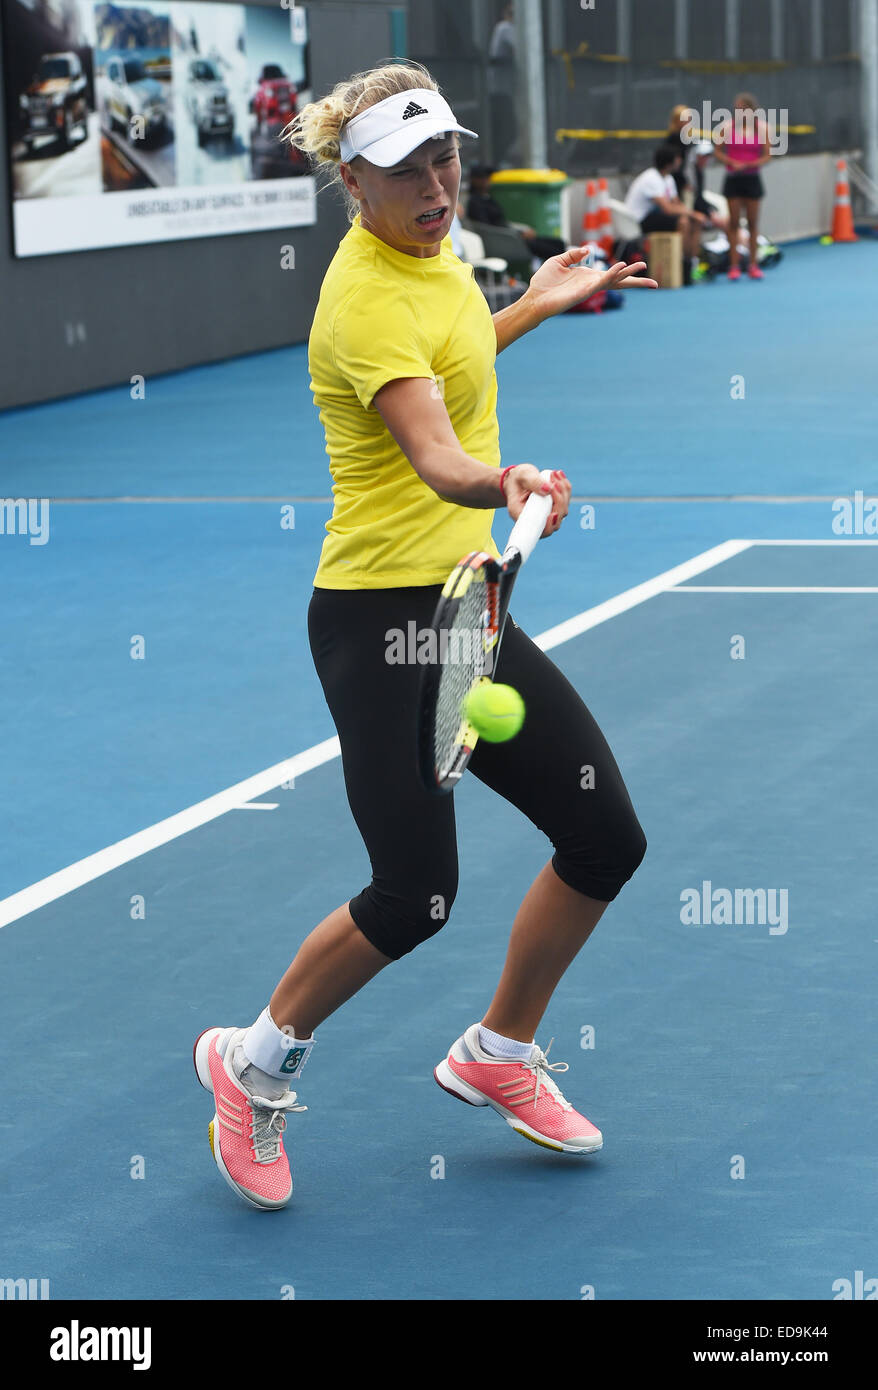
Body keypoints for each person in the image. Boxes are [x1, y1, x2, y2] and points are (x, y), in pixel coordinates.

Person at [192, 64, 655, 1210]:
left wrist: (526, 308)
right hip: (377, 620)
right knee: (413, 894)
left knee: (603, 836)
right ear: (352, 182)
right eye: (406, 171)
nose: (437, 187)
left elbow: (446, 359)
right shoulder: (357, 299)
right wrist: (501, 481)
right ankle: (251, 1064)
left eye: (444, 157)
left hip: (463, 608)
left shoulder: (436, 253)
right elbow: (435, 452)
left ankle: (498, 1051)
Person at [625, 146, 709, 285]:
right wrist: (693, 213)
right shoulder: (651, 178)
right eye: (677, 159)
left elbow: (676, 203)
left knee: (695, 222)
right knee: (683, 222)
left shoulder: (668, 178)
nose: (680, 161)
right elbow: (668, 209)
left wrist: (694, 216)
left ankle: (692, 265)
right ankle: (681, 264)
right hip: (639, 220)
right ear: (669, 162)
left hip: (655, 216)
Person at [711, 92, 772, 281]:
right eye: (737, 109)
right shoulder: (727, 127)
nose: (739, 112)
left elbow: (767, 155)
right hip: (733, 179)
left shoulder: (762, 129)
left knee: (753, 223)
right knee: (734, 223)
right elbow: (717, 151)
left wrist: (750, 164)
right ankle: (734, 265)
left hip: (752, 179)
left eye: (742, 108)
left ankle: (753, 264)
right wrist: (732, 162)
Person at [466, 163, 566, 264]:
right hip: (507, 241)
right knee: (554, 251)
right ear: (474, 180)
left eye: (488, 178)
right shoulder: (475, 202)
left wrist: (523, 229)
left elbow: (503, 222)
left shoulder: (488, 198)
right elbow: (488, 228)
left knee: (559, 243)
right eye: (483, 178)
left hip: (513, 236)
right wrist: (518, 233)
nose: (487, 181)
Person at [487, 2, 517, 164]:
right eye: (512, 12)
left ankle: (497, 161)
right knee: (508, 130)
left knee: (505, 129)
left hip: (506, 90)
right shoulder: (505, 28)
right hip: (499, 90)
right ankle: (496, 162)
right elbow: (520, 48)